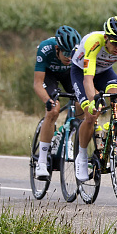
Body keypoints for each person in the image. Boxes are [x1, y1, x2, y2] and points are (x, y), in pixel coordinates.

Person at [70, 16, 117, 183]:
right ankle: (81, 157)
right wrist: (92, 101)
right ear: (106, 37)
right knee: (91, 113)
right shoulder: (94, 42)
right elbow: (88, 79)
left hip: (104, 72)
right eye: (116, 43)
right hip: (81, 72)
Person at [33, 25, 81, 180]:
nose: (69, 57)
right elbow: (38, 83)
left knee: (82, 103)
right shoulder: (45, 49)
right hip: (50, 75)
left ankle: (68, 133)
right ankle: (41, 160)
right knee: (54, 110)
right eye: (65, 53)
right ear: (57, 49)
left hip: (69, 74)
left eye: (71, 53)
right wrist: (47, 101)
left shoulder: (79, 52)